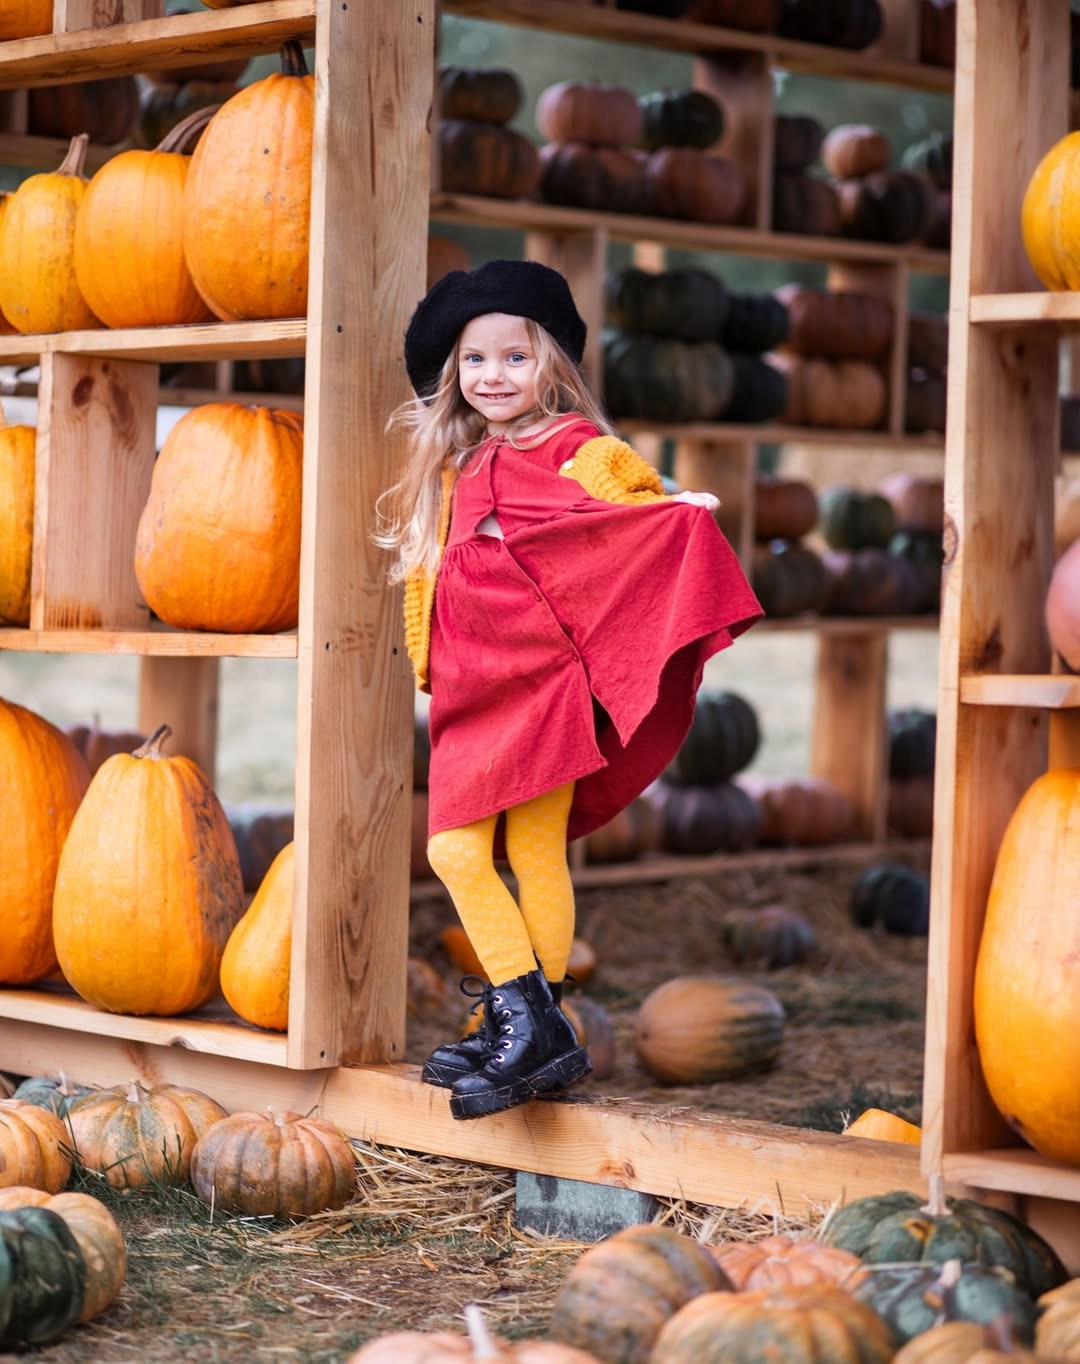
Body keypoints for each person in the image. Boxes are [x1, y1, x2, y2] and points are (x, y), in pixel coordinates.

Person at [377, 259, 762, 1121]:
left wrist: (675, 509)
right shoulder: (460, 461)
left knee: (461, 851)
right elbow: (444, 568)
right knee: (517, 850)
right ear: (455, 374)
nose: (494, 377)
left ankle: (525, 1024)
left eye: (514, 358)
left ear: (549, 364)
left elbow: (632, 508)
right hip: (478, 684)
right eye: (476, 362)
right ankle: (534, 1025)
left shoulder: (578, 449)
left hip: (542, 679)